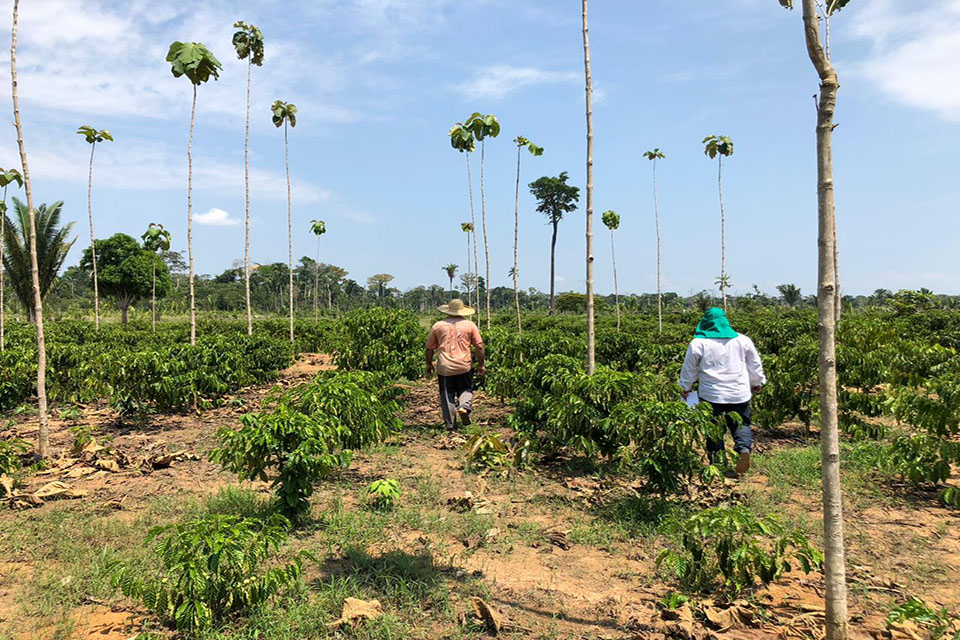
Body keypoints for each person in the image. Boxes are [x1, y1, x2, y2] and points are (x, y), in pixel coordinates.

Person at [679, 307, 766, 474]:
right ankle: (743, 450)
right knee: (742, 424)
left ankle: (718, 464)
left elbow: (689, 369)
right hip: (739, 393)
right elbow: (754, 364)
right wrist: (757, 382)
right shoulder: (743, 340)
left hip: (711, 395)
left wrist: (685, 387)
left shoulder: (698, 343)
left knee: (713, 429)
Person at [425, 298, 485, 430]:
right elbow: (479, 346)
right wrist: (481, 364)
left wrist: (428, 364)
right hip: (464, 364)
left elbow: (429, 348)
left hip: (445, 366)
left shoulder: (438, 325)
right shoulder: (470, 325)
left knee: (447, 394)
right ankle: (464, 406)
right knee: (466, 389)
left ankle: (451, 425)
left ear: (448, 311)